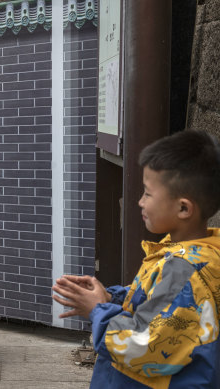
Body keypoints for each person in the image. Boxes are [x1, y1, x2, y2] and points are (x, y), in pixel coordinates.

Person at [52, 130, 220, 388]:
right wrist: (113, 298)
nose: (140, 202)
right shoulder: (192, 253)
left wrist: (98, 311)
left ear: (184, 208)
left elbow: (141, 346)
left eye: (148, 194)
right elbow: (158, 303)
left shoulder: (182, 271)